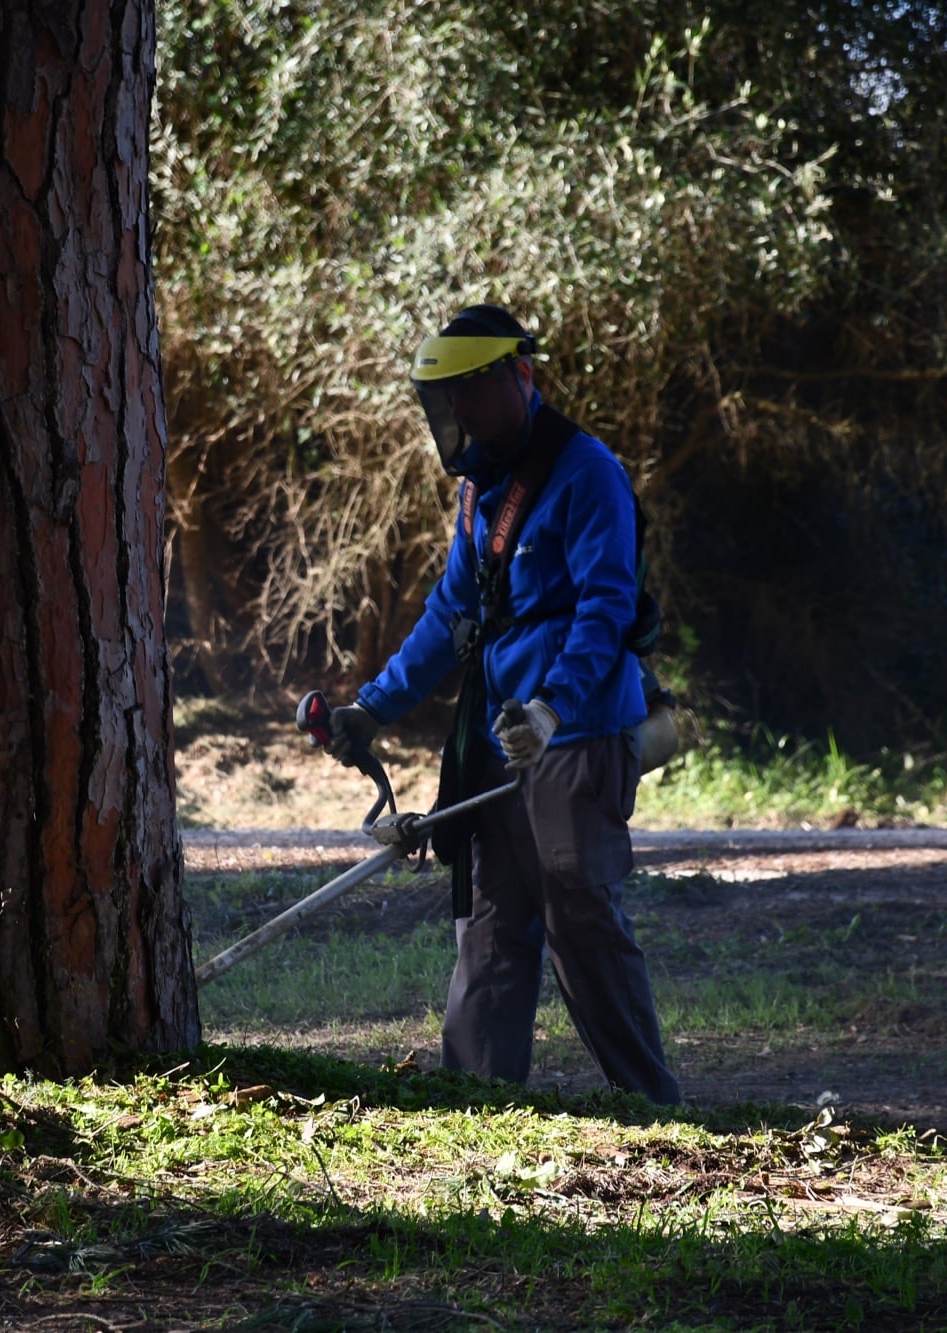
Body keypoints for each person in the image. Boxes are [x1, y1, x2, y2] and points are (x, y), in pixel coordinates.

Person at [320, 304, 682, 1105]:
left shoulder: (585, 471)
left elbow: (607, 608)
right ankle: (477, 1105)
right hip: (500, 740)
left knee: (580, 922)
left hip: (577, 737)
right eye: (447, 404)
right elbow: (454, 614)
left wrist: (553, 706)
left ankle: (655, 1101)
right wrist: (374, 709)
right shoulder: (480, 487)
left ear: (517, 377)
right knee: (491, 930)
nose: (460, 419)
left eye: (471, 397)